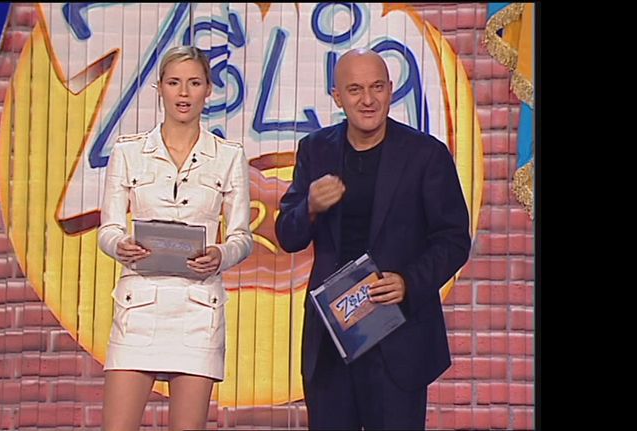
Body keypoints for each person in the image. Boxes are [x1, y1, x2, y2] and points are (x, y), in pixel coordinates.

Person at [275, 48, 471, 430]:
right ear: (337, 97)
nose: (368, 99)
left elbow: (453, 239)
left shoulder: (425, 155)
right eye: (355, 90)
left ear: (391, 90)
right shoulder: (316, 149)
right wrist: (309, 206)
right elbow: (288, 235)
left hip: (398, 334)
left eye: (377, 87)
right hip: (332, 338)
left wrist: (408, 282)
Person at [98, 46, 253, 431]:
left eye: (194, 83)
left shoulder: (228, 156)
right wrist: (120, 246)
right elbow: (109, 230)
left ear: (208, 90)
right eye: (174, 83)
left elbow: (241, 237)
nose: (184, 93)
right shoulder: (129, 152)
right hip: (140, 307)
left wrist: (221, 254)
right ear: (160, 88)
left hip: (197, 309)